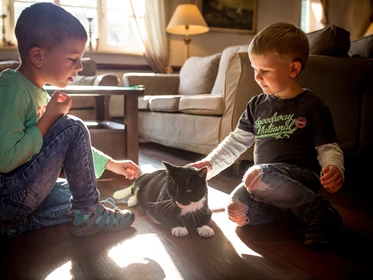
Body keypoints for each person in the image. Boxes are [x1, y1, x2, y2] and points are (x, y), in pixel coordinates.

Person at [190, 22, 344, 249]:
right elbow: (236, 142)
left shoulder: (313, 105)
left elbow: (328, 147)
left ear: (293, 69)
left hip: (300, 176)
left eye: (265, 71)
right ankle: (289, 211)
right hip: (262, 181)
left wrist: (334, 168)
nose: (257, 76)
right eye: (254, 69)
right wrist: (210, 164)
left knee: (254, 176)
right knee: (236, 210)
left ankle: (321, 212)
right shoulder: (257, 104)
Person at [0, 2, 140, 244]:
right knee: (73, 126)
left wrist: (111, 165)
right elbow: (6, 159)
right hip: (7, 195)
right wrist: (50, 117)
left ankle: (19, 225)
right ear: (38, 56)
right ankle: (88, 212)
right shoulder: (12, 88)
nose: (80, 66)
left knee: (74, 191)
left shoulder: (40, 92)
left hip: (15, 199)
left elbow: (64, 146)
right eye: (73, 58)